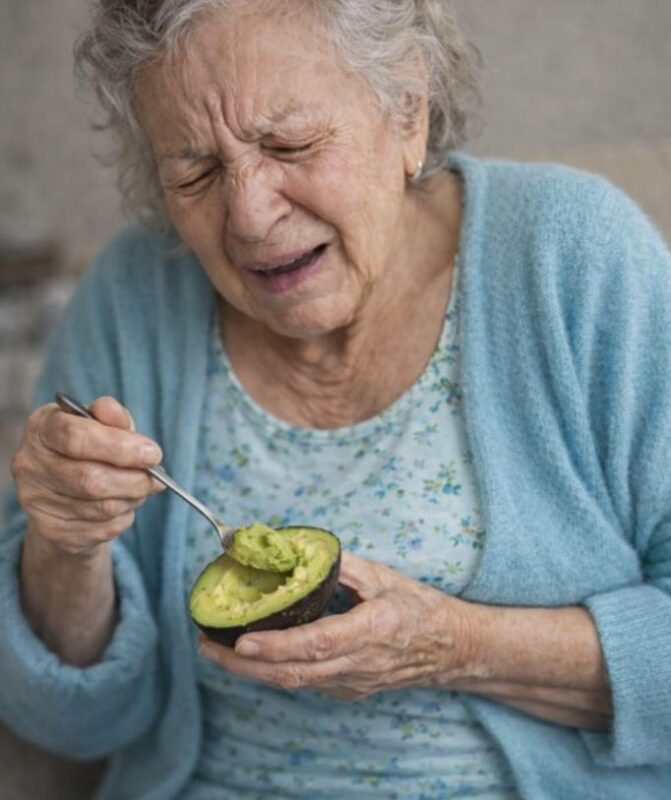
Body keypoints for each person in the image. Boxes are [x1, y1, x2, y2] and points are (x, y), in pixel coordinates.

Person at [1, 1, 670, 798]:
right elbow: (70, 725)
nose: (250, 216)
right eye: (196, 172)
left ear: (407, 112)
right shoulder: (133, 293)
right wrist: (66, 546)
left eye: (291, 144)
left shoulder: (572, 251)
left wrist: (453, 644)